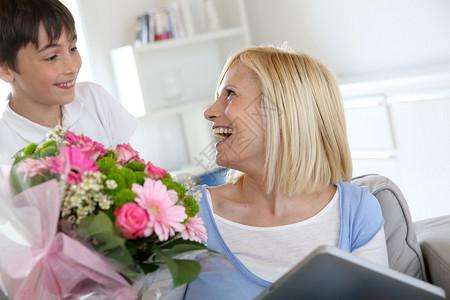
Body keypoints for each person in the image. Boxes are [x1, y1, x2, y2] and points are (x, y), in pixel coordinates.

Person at [182, 45, 389, 299]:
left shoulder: (357, 211)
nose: (209, 111)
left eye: (230, 94)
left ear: (283, 112)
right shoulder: (189, 212)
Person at [0, 0, 138, 164]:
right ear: (5, 69)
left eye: (73, 48)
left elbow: (135, 171)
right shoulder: (5, 145)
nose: (72, 67)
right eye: (51, 57)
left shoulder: (95, 99)